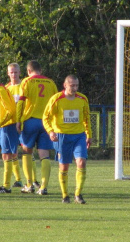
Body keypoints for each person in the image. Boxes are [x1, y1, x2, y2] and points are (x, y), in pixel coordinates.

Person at [42, 75, 92, 204]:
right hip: (62, 136)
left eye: (76, 85)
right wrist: (50, 131)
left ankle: (78, 194)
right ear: (65, 85)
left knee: (81, 162)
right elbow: (45, 117)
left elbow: (86, 118)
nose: (74, 88)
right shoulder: (56, 99)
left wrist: (89, 135)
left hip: (79, 136)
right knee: (64, 167)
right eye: (72, 85)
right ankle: (65, 195)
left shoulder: (82, 99)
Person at [16, 60, 58, 195]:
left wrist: (18, 120)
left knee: (27, 152)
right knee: (44, 155)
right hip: (47, 123)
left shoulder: (27, 82)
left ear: (28, 71)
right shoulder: (50, 83)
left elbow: (21, 103)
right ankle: (44, 187)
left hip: (30, 121)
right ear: (41, 70)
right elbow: (56, 103)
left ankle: (29, 185)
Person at [5, 63, 24, 188]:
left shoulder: (24, 86)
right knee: (13, 152)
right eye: (11, 72)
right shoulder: (6, 88)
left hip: (23, 122)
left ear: (19, 72)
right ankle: (18, 179)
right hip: (10, 123)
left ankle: (32, 180)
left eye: (15, 72)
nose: (13, 74)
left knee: (27, 151)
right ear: (8, 73)